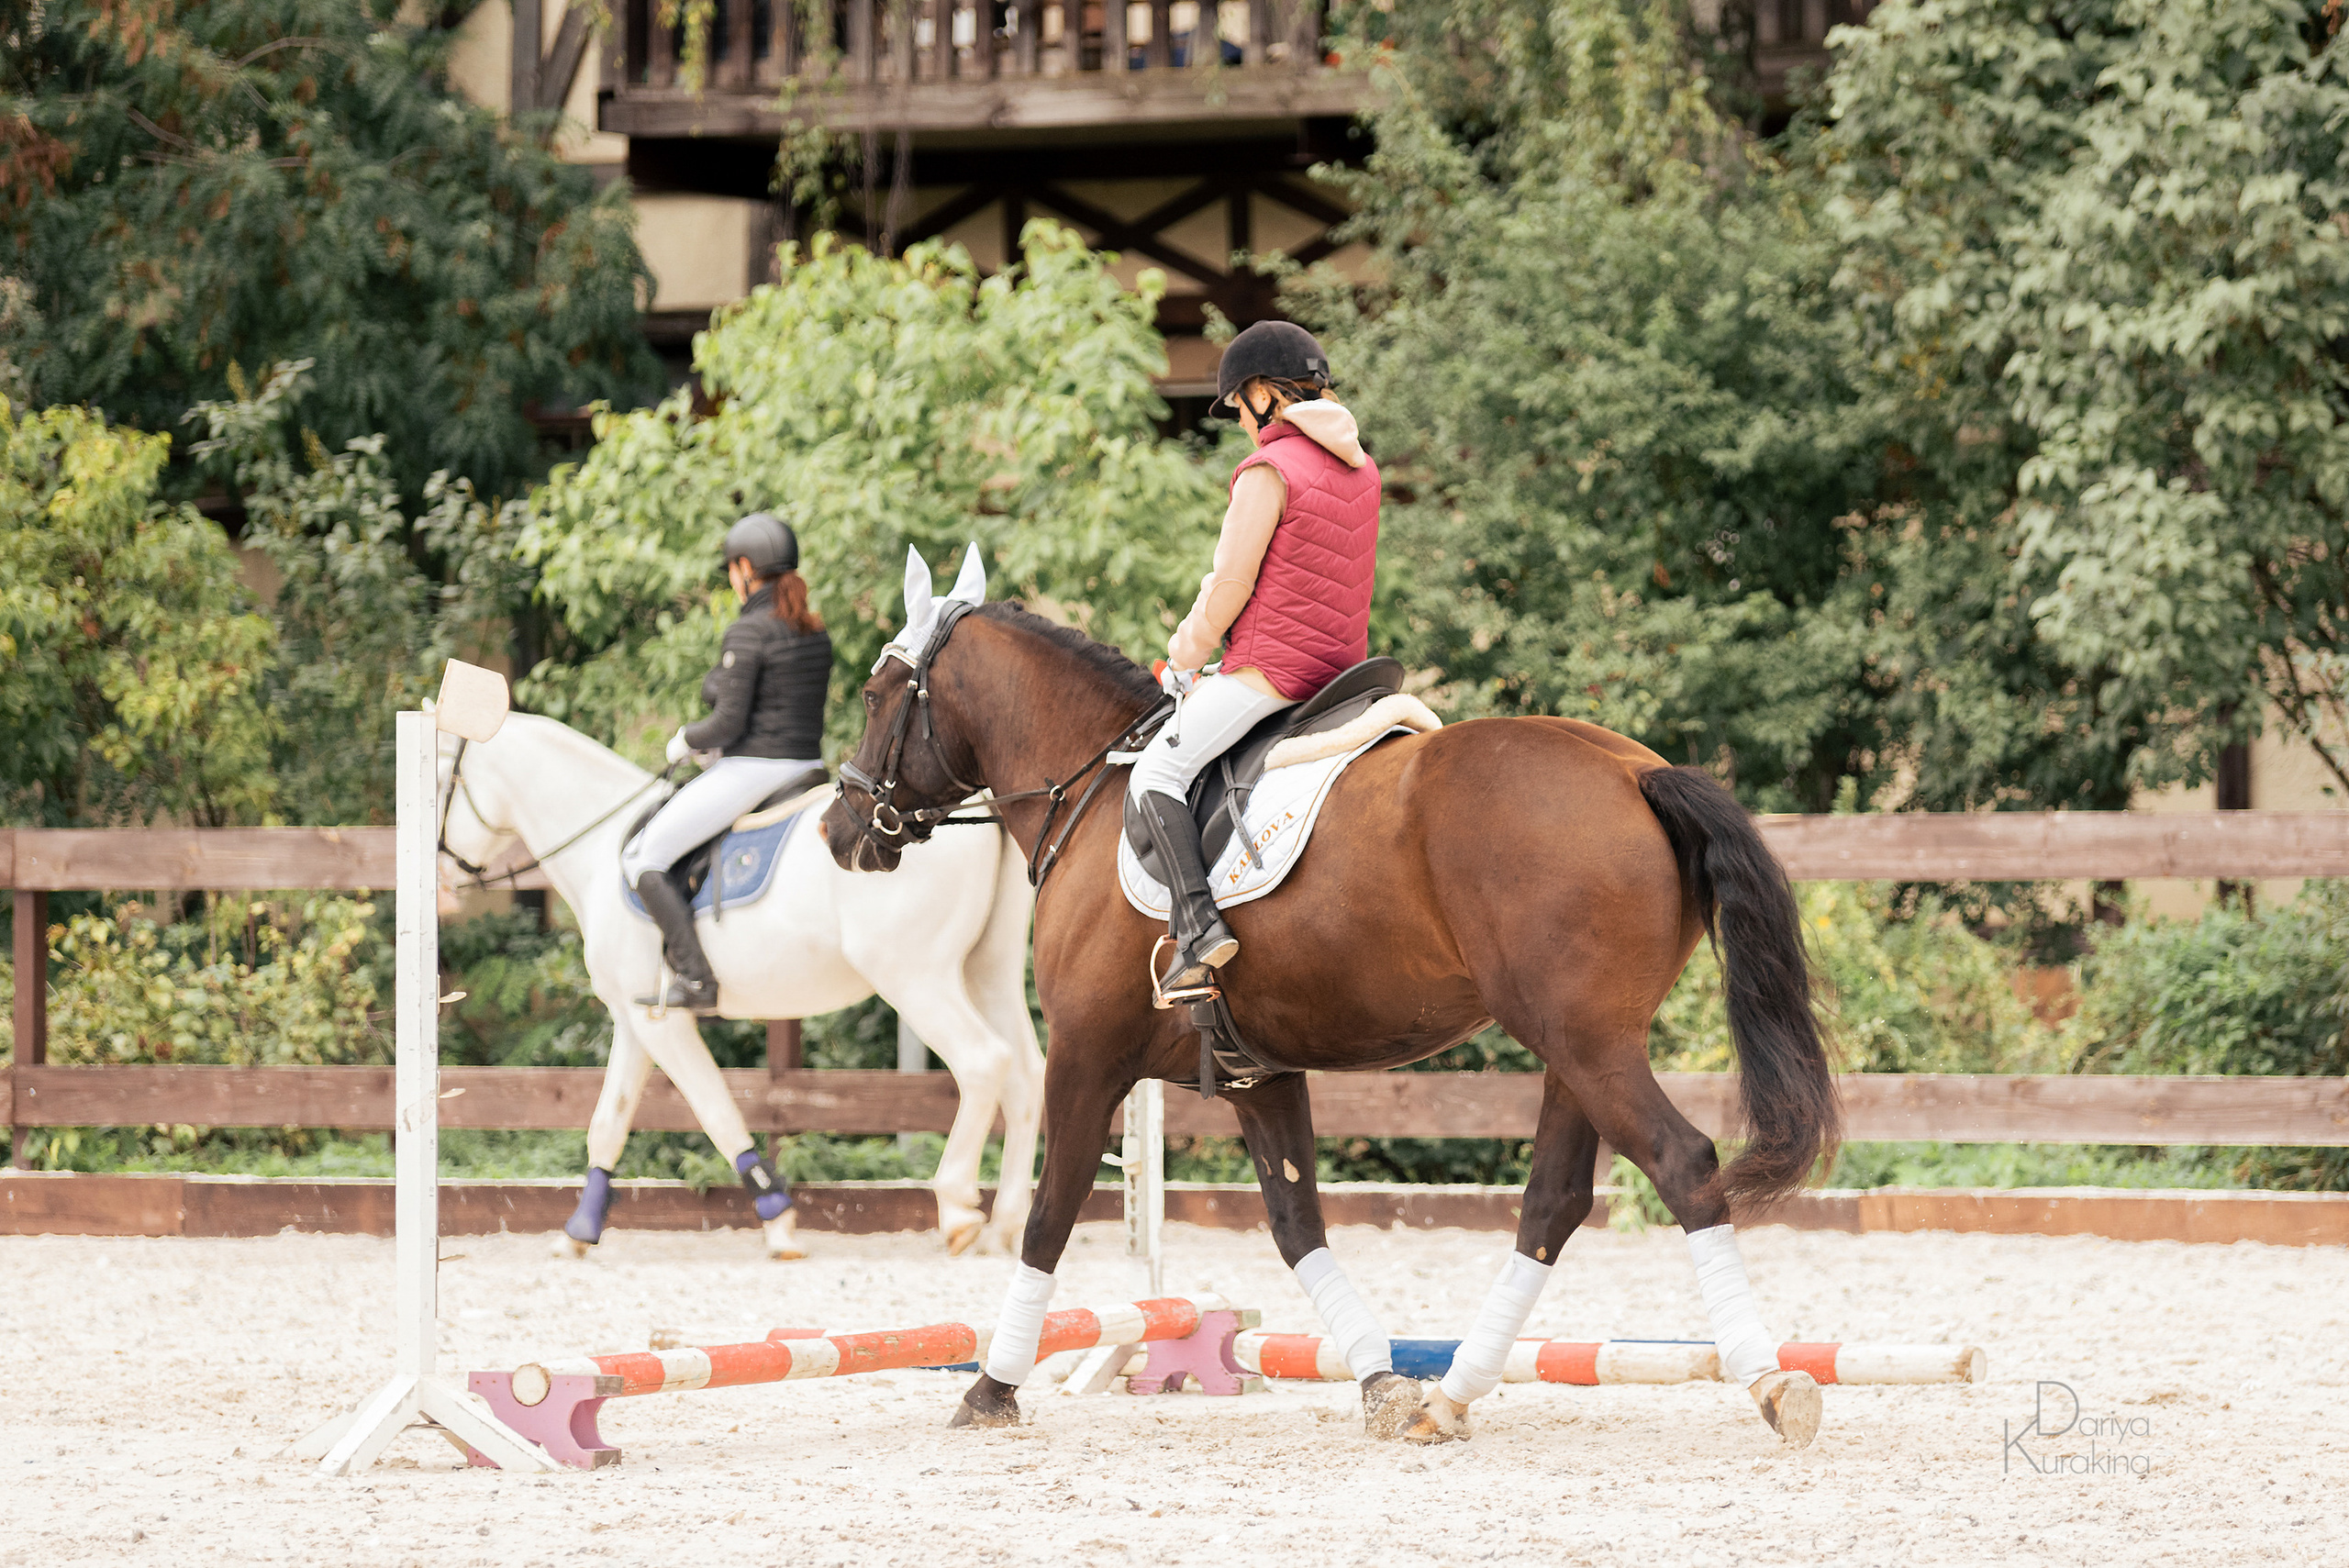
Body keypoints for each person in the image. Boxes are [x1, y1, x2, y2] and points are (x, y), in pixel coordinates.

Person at [1130, 320, 1382, 988]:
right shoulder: (1364, 470)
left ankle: (1197, 931)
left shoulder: (1267, 468)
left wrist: (1184, 655)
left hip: (1274, 673)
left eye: (1238, 404)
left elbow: (1230, 587)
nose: (1239, 420)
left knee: (1155, 773)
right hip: (1343, 674)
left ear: (1266, 394)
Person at [623, 511, 832, 1013]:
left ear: (744, 568)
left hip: (753, 769)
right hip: (807, 766)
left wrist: (683, 740)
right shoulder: (812, 629)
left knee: (644, 858)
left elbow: (725, 726)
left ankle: (697, 979)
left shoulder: (749, 631)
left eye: (731, 570)